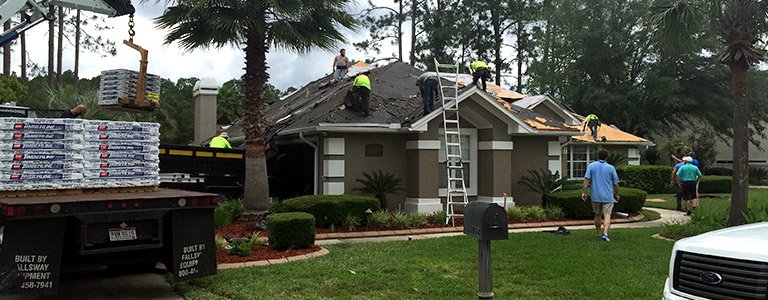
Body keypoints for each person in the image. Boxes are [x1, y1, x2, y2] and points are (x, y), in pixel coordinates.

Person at [581, 149, 620, 242]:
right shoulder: (611, 168)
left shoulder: (591, 166)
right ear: (607, 157)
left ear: (597, 156)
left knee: (597, 215)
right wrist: (617, 194)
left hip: (595, 196)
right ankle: (605, 234)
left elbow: (586, 180)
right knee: (607, 215)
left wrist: (584, 192)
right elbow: (616, 184)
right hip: (607, 196)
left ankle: (598, 233)